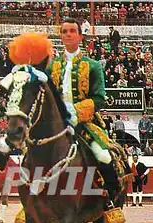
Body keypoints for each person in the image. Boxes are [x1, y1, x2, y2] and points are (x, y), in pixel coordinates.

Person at [46, 18, 118, 209]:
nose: (68, 34)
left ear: (80, 36)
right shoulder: (52, 66)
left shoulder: (93, 65)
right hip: (57, 124)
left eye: (72, 31)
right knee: (34, 152)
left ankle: (111, 199)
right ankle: (33, 202)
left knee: (103, 155)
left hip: (84, 122)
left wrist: (76, 111)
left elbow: (99, 97)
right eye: (64, 31)